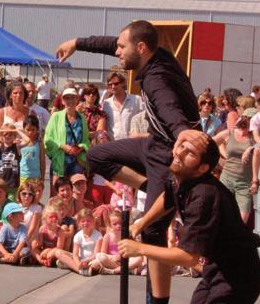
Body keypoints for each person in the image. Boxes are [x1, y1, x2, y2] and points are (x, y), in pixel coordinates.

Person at [56, 20, 207, 303]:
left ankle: (158, 301)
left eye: (123, 48)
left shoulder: (156, 77)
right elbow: (111, 43)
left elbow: (167, 105)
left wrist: (181, 130)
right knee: (96, 156)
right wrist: (77, 42)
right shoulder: (152, 54)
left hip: (169, 153)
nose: (118, 52)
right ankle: (152, 186)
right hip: (151, 145)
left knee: (152, 230)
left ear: (140, 48)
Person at [118, 137, 260, 304]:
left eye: (190, 153)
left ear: (203, 168)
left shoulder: (204, 196)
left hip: (238, 277)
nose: (180, 153)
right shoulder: (182, 180)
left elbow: (188, 257)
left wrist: (140, 248)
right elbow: (168, 198)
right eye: (181, 147)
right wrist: (141, 224)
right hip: (216, 270)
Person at [213, 107, 256, 223]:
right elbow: (210, 144)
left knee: (242, 221)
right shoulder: (230, 132)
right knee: (219, 215)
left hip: (245, 183)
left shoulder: (255, 138)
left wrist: (251, 148)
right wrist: (219, 160)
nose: (251, 122)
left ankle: (235, 240)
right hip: (226, 179)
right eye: (248, 119)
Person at [44, 88, 90, 184]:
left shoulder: (82, 118)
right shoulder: (55, 116)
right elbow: (47, 139)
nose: (70, 101)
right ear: (62, 101)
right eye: (67, 98)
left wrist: (80, 147)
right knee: (57, 195)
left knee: (76, 194)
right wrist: (62, 146)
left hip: (77, 163)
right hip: (59, 162)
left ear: (77, 99)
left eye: (73, 98)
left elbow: (86, 141)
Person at [55, 208, 102, 276]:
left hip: (92, 260)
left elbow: (96, 254)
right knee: (58, 252)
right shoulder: (78, 236)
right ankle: (79, 269)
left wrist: (86, 261)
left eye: (88, 221)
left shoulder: (98, 235)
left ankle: (70, 264)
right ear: (79, 223)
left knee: (97, 264)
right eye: (83, 221)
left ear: (93, 222)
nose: (85, 223)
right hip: (80, 260)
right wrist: (78, 263)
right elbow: (75, 254)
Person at [102, 72, 141, 140]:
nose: (113, 86)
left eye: (116, 83)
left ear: (123, 83)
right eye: (110, 84)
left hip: (132, 144)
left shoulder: (136, 100)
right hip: (113, 145)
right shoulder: (106, 104)